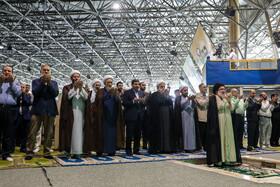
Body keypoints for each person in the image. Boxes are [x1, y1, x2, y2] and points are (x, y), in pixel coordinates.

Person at [25, 65, 59, 160]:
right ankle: (29, 151)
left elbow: (55, 93)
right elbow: (36, 93)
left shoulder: (54, 83)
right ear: (41, 71)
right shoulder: (36, 82)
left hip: (50, 110)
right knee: (32, 132)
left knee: (49, 133)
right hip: (37, 110)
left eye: (48, 70)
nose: (46, 71)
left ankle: (47, 152)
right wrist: (43, 83)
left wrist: (49, 84)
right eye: (44, 70)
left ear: (50, 72)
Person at [206, 82, 241, 166]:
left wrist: (228, 100)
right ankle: (219, 159)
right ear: (216, 91)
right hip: (219, 120)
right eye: (221, 89)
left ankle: (228, 158)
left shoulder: (225, 98)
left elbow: (231, 107)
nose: (223, 91)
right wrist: (226, 100)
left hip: (228, 119)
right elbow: (219, 107)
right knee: (220, 139)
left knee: (228, 138)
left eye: (224, 89)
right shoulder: (214, 98)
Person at [59, 70, 91, 158]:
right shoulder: (67, 87)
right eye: (74, 77)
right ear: (71, 78)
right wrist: (75, 88)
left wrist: (80, 89)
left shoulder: (83, 88)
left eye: (78, 77)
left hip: (81, 114)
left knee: (79, 132)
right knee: (71, 132)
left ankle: (78, 151)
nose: (76, 78)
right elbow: (68, 97)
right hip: (71, 114)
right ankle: (69, 150)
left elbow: (85, 98)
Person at [92, 75, 125, 156]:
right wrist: (108, 94)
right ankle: (100, 150)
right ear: (104, 83)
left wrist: (115, 95)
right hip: (102, 117)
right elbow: (99, 100)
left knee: (112, 135)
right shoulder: (100, 91)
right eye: (108, 82)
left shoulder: (115, 91)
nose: (110, 84)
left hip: (112, 117)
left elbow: (118, 102)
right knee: (101, 133)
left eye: (111, 82)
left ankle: (111, 150)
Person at [0, 66, 21, 161]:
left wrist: (11, 83)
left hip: (10, 109)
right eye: (5, 70)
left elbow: (18, 93)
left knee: (8, 133)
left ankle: (6, 154)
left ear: (12, 73)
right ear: (2, 71)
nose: (7, 72)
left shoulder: (15, 82)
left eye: (9, 71)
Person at [149, 81, 174, 154]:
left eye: (164, 87)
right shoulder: (155, 95)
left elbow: (170, 103)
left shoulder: (166, 95)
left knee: (166, 131)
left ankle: (166, 147)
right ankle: (158, 148)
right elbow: (158, 103)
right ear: (157, 87)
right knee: (159, 132)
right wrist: (164, 96)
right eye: (161, 87)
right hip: (158, 116)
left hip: (166, 116)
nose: (163, 88)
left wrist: (166, 96)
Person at [174, 85, 201, 152]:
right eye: (185, 91)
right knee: (185, 132)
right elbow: (181, 106)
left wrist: (193, 101)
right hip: (183, 117)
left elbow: (193, 106)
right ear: (181, 91)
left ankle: (192, 147)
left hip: (191, 117)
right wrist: (188, 100)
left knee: (191, 132)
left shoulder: (190, 98)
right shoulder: (178, 98)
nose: (186, 92)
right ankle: (184, 147)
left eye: (187, 90)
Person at [122, 79, 145, 155]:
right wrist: (133, 101)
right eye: (135, 84)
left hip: (139, 116)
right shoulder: (127, 92)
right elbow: (124, 103)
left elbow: (143, 104)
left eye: (138, 84)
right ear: (132, 85)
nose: (137, 85)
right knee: (129, 134)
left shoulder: (141, 93)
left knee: (138, 135)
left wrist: (143, 102)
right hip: (131, 116)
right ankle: (128, 150)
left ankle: (136, 150)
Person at [12, 83, 31, 153]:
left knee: (25, 133)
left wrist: (23, 97)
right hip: (16, 117)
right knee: (13, 133)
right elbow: (14, 103)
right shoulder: (14, 96)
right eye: (20, 87)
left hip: (25, 117)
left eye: (23, 87)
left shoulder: (28, 96)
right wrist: (19, 97)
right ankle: (12, 148)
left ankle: (23, 147)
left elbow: (29, 103)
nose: (22, 88)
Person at [195, 83, 208, 150]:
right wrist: (208, 99)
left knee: (207, 133)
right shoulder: (198, 95)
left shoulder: (207, 96)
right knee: (201, 133)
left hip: (207, 117)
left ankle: (206, 146)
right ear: (200, 88)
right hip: (201, 117)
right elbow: (202, 104)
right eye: (204, 87)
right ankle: (200, 146)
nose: (205, 89)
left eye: (206, 87)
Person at [140, 81, 149, 149]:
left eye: (145, 85)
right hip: (139, 114)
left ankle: (145, 145)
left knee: (145, 130)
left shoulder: (147, 94)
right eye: (143, 85)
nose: (144, 86)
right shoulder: (138, 93)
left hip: (146, 114)